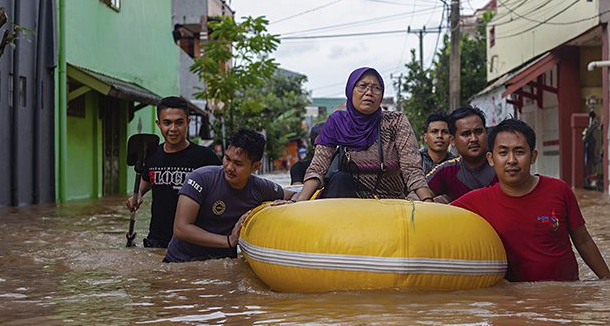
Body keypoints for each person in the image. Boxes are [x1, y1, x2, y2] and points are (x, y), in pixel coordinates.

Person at [452, 118, 610, 282]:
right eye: (503, 153)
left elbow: (584, 241)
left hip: (565, 297)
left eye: (519, 152)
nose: (512, 160)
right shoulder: (477, 201)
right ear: (491, 158)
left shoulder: (559, 190)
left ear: (533, 156)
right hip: (515, 300)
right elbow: (438, 217)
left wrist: (609, 282)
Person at [294, 67, 434, 201]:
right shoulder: (336, 122)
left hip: (391, 201)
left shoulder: (396, 121)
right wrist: (299, 200)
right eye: (363, 86)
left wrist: (427, 200)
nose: (369, 92)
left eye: (376, 88)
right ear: (350, 90)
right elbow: (318, 167)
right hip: (347, 199)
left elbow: (412, 169)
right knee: (340, 178)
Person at [164, 128, 295, 263]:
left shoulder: (260, 188)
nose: (229, 167)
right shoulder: (200, 178)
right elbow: (181, 228)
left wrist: (288, 204)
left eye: (238, 163)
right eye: (227, 158)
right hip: (180, 263)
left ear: (255, 166)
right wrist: (228, 241)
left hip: (222, 265)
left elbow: (294, 196)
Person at [125, 96, 221, 248]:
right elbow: (148, 179)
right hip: (156, 241)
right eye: (167, 122)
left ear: (188, 122)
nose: (173, 129)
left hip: (193, 243)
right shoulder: (151, 155)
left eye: (179, 122)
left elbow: (223, 188)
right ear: (158, 124)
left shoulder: (205, 157)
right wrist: (137, 195)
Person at [427, 106, 496, 203]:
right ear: (452, 140)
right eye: (466, 134)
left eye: (479, 132)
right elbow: (419, 193)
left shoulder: (503, 165)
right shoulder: (447, 171)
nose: (474, 139)